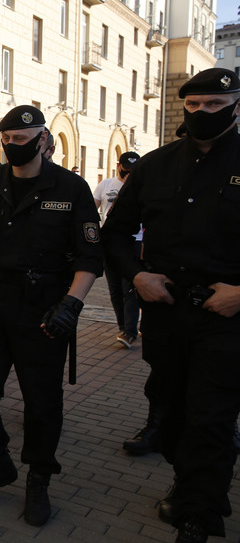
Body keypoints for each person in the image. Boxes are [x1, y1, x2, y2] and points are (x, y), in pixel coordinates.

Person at [0, 105, 102, 527]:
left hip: (45, 307)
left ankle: (38, 478)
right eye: (7, 139)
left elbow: (90, 256)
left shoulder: (71, 188)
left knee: (42, 403)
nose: (13, 145)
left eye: (22, 138)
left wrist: (72, 303)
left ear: (43, 139)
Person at [101, 68, 240, 542]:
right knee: (171, 412)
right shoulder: (155, 166)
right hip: (166, 314)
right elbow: (115, 234)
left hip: (227, 318)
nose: (203, 113)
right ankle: (189, 482)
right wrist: (137, 275)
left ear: (236, 106)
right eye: (195, 105)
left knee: (211, 417)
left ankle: (197, 517)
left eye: (215, 105)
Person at [94, 152, 142, 348]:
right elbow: (91, 208)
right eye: (126, 170)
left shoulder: (142, 186)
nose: (129, 174)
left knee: (130, 287)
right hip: (110, 241)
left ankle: (130, 330)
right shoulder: (105, 185)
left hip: (135, 241)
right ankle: (123, 327)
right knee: (115, 288)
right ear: (119, 166)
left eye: (133, 171)